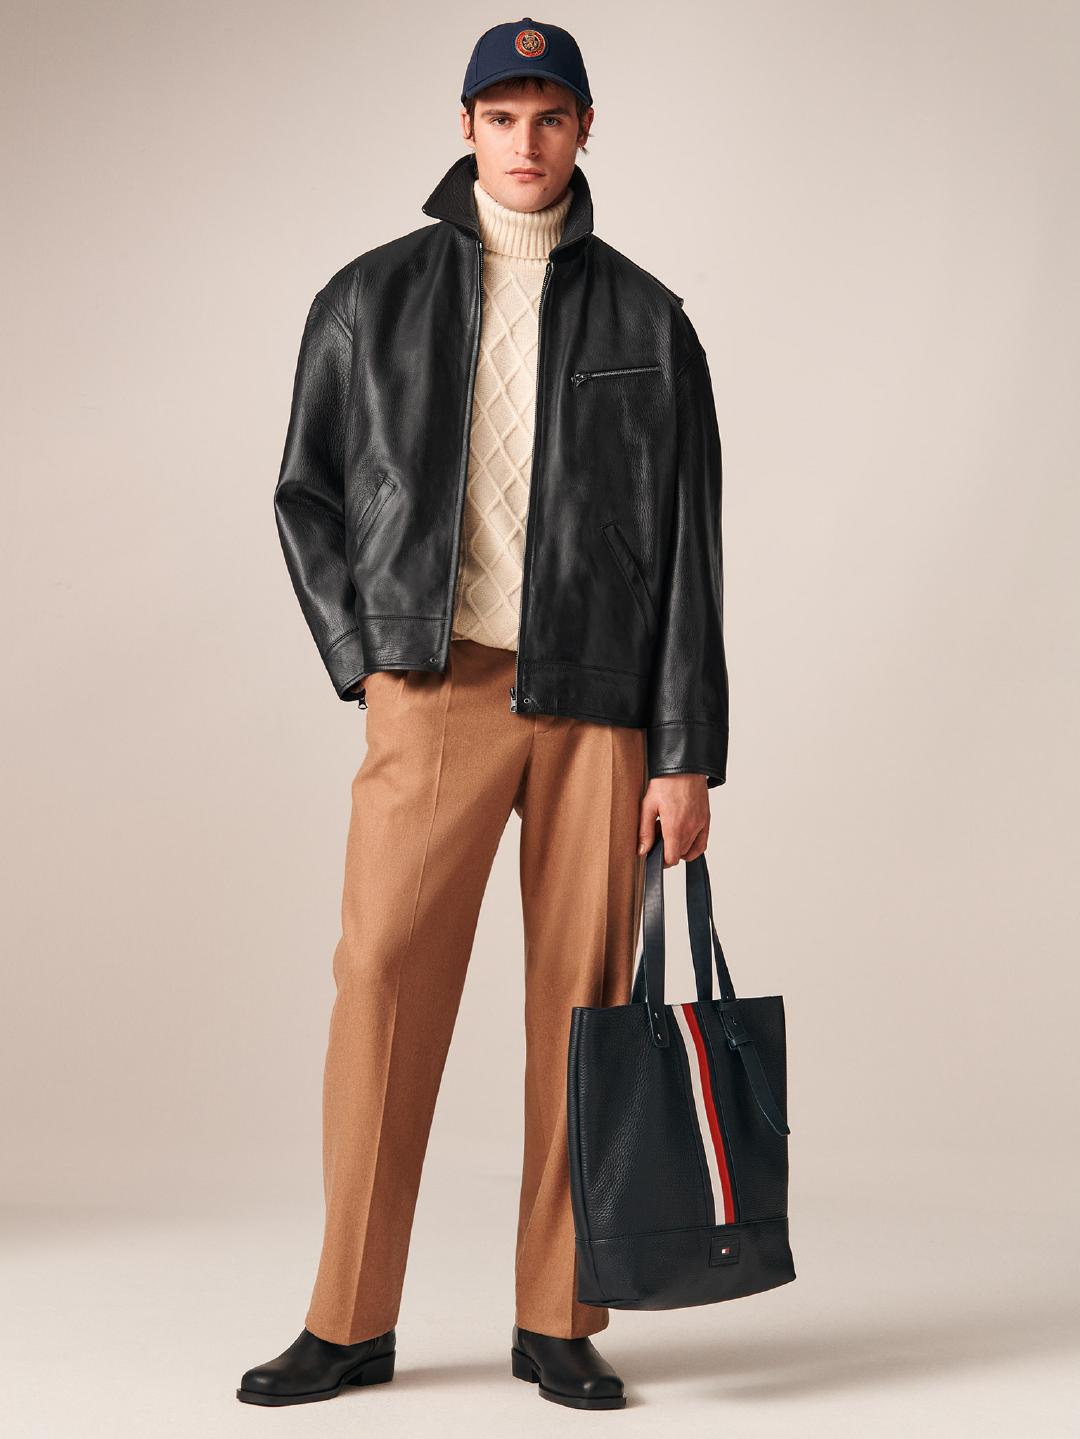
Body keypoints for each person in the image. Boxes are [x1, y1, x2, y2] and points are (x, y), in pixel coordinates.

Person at [237, 14, 728, 1412]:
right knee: (383, 982)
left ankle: (557, 1317)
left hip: (600, 709)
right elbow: (305, 494)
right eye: (501, 117)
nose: (525, 141)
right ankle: (348, 1318)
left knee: (587, 1003)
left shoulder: (650, 321)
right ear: (465, 129)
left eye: (549, 117)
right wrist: (371, 660)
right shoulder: (368, 297)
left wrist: (685, 753)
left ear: (585, 129)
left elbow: (691, 551)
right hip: (435, 686)